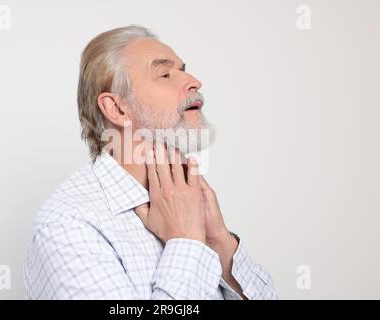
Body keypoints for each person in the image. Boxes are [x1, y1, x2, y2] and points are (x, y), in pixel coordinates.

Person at [24, 25, 277, 300]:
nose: (194, 81)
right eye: (165, 74)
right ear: (118, 109)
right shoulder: (67, 225)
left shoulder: (189, 199)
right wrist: (187, 240)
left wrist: (220, 243)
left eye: (183, 69)